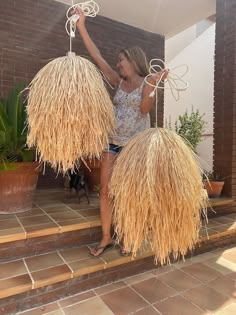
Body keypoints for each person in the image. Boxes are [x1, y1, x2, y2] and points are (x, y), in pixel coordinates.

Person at [75, 8, 168, 257]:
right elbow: (97, 58)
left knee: (131, 194)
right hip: (113, 144)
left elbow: (144, 109)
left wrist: (152, 89)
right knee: (105, 191)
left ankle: (129, 235)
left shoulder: (148, 82)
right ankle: (106, 237)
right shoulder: (118, 81)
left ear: (133, 61)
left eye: (121, 61)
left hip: (135, 149)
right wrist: (82, 25)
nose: (117, 64)